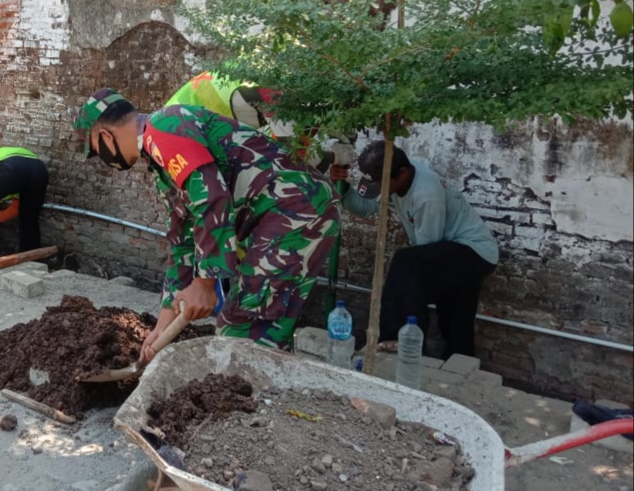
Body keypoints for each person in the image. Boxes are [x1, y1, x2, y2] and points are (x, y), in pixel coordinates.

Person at [74, 88, 342, 362]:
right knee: (262, 328)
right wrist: (163, 325)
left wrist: (205, 283)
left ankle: (245, 394)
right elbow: (183, 238)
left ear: (105, 136)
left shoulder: (165, 127)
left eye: (96, 150)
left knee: (241, 329)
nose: (104, 160)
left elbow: (211, 197)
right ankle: (265, 390)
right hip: (286, 214)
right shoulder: (160, 162)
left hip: (295, 209)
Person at [330, 141, 499, 358]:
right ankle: (458, 362)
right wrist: (341, 184)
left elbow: (426, 253)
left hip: (474, 252)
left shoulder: (427, 194)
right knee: (456, 319)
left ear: (401, 173)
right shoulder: (396, 177)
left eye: (382, 184)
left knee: (408, 265)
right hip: (452, 252)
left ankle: (397, 339)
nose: (379, 190)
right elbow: (365, 207)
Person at [166, 71, 356, 172]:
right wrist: (334, 157)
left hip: (185, 121)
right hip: (176, 132)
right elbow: (293, 157)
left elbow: (274, 140)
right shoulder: (278, 95)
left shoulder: (274, 73)